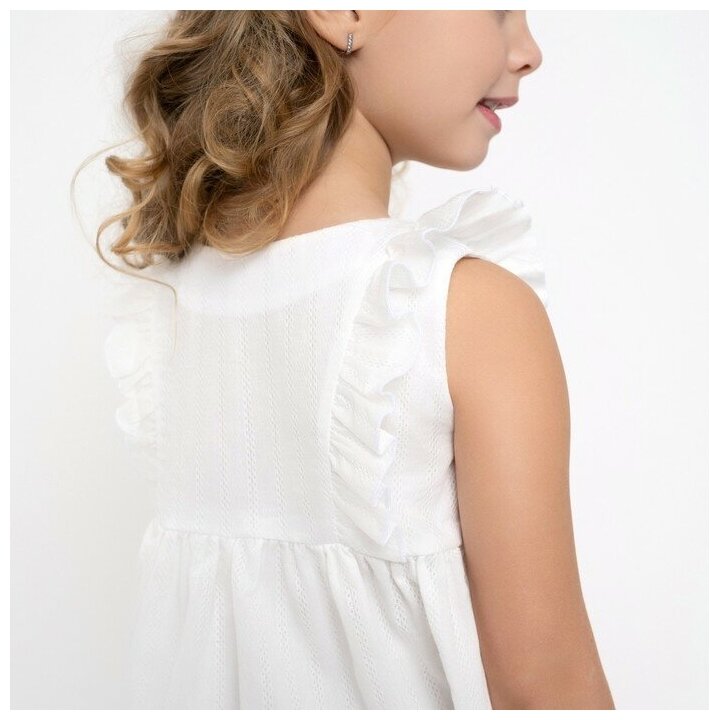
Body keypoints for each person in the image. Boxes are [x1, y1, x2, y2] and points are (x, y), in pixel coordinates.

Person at [83, 10, 615, 709]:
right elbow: (547, 687)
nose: (529, 52)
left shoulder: (175, 308)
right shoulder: (459, 309)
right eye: (497, 10)